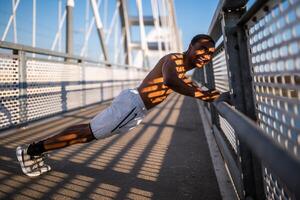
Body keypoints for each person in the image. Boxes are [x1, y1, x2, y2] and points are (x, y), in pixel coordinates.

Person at [16, 34, 229, 176]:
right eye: (202, 49)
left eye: (210, 53)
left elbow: (183, 84)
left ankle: (36, 149)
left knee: (88, 131)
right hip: (132, 106)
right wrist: (202, 96)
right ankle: (32, 151)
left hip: (133, 106)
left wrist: (213, 94)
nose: (206, 56)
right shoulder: (175, 59)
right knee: (87, 133)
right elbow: (171, 81)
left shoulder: (183, 68)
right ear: (191, 46)